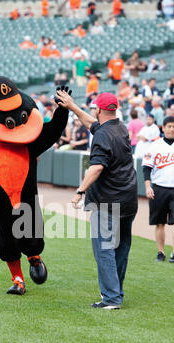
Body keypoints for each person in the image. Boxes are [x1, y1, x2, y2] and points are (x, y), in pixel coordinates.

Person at [56, 88, 138, 309]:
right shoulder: (119, 127)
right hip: (128, 199)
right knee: (120, 248)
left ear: (100, 108)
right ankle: (116, 293)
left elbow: (97, 167)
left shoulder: (103, 134)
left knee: (104, 249)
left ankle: (111, 298)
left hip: (108, 200)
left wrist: (80, 191)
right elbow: (94, 124)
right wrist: (72, 107)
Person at [142, 116, 174, 264]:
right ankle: (161, 252)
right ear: (163, 128)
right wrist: (148, 186)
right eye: (169, 126)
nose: (172, 129)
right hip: (159, 187)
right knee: (160, 223)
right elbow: (146, 168)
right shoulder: (154, 146)